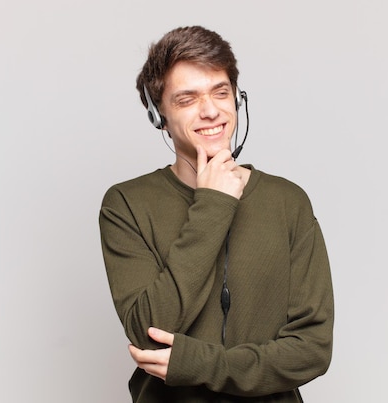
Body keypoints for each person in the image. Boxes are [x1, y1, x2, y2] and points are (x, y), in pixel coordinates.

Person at [99, 25, 334, 402]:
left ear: (237, 99)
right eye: (187, 98)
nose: (210, 111)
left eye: (220, 92)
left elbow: (312, 349)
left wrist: (199, 364)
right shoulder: (125, 205)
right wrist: (213, 204)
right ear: (159, 113)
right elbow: (148, 331)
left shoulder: (289, 202)